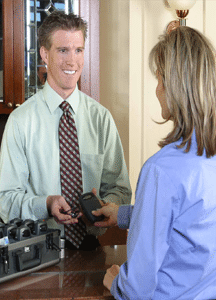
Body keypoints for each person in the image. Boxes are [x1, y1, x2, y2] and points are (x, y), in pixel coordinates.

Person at [93, 26, 216, 298]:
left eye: (159, 79)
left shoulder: (160, 170)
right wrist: (122, 214)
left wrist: (115, 282)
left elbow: (137, 288)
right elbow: (189, 221)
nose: (157, 89)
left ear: (174, 86)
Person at [0, 12, 131, 251]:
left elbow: (120, 189)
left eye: (78, 50)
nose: (72, 61)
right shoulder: (20, 121)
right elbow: (5, 200)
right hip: (37, 253)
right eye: (63, 50)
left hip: (94, 249)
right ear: (45, 54)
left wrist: (101, 207)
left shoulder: (101, 119)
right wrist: (45, 204)